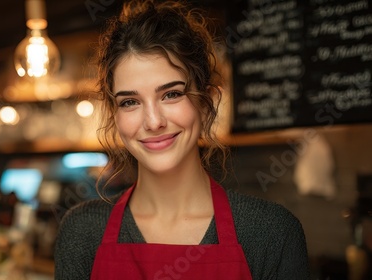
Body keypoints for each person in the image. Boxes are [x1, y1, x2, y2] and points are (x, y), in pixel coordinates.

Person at [54, 0, 309, 279]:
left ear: (206, 101)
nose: (153, 121)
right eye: (129, 101)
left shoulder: (270, 232)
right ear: (114, 114)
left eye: (171, 94)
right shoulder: (82, 231)